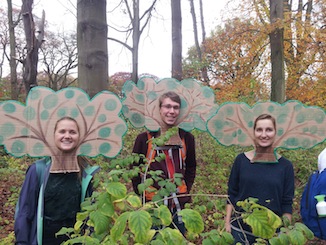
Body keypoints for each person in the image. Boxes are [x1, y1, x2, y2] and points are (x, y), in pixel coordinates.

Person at [14, 117, 99, 245]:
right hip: (44, 238)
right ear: (53, 136)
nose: (67, 136)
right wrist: (22, 241)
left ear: (79, 137)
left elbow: (93, 210)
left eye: (72, 132)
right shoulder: (38, 170)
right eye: (62, 131)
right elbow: (25, 211)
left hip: (76, 238)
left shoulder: (86, 171)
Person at [131, 91, 197, 235]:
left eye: (175, 107)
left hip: (179, 204)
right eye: (167, 107)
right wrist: (142, 194)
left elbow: (191, 166)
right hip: (153, 205)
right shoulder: (144, 138)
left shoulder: (187, 138)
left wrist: (185, 190)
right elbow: (134, 169)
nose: (171, 111)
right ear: (159, 109)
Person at [224, 114, 295, 244]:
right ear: (254, 133)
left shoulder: (285, 166)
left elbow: (286, 202)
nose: (264, 134)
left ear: (275, 133)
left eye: (268, 129)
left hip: (272, 234)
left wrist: (285, 232)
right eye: (259, 130)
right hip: (240, 230)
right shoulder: (241, 161)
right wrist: (227, 222)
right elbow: (232, 194)